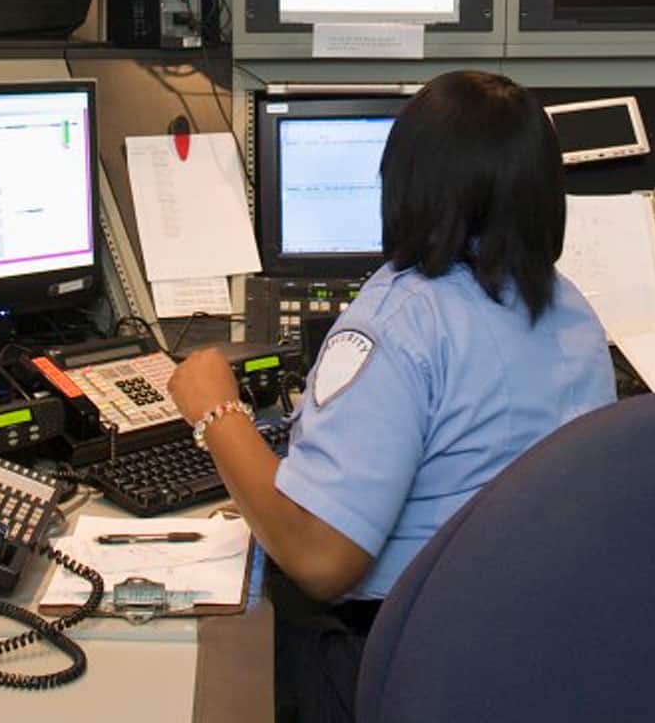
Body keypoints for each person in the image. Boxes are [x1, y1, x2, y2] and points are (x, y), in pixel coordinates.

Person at [167, 70, 615, 722]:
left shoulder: (400, 323)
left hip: (410, 664)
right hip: (538, 662)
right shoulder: (570, 307)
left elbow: (321, 560)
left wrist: (216, 412)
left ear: (405, 183)